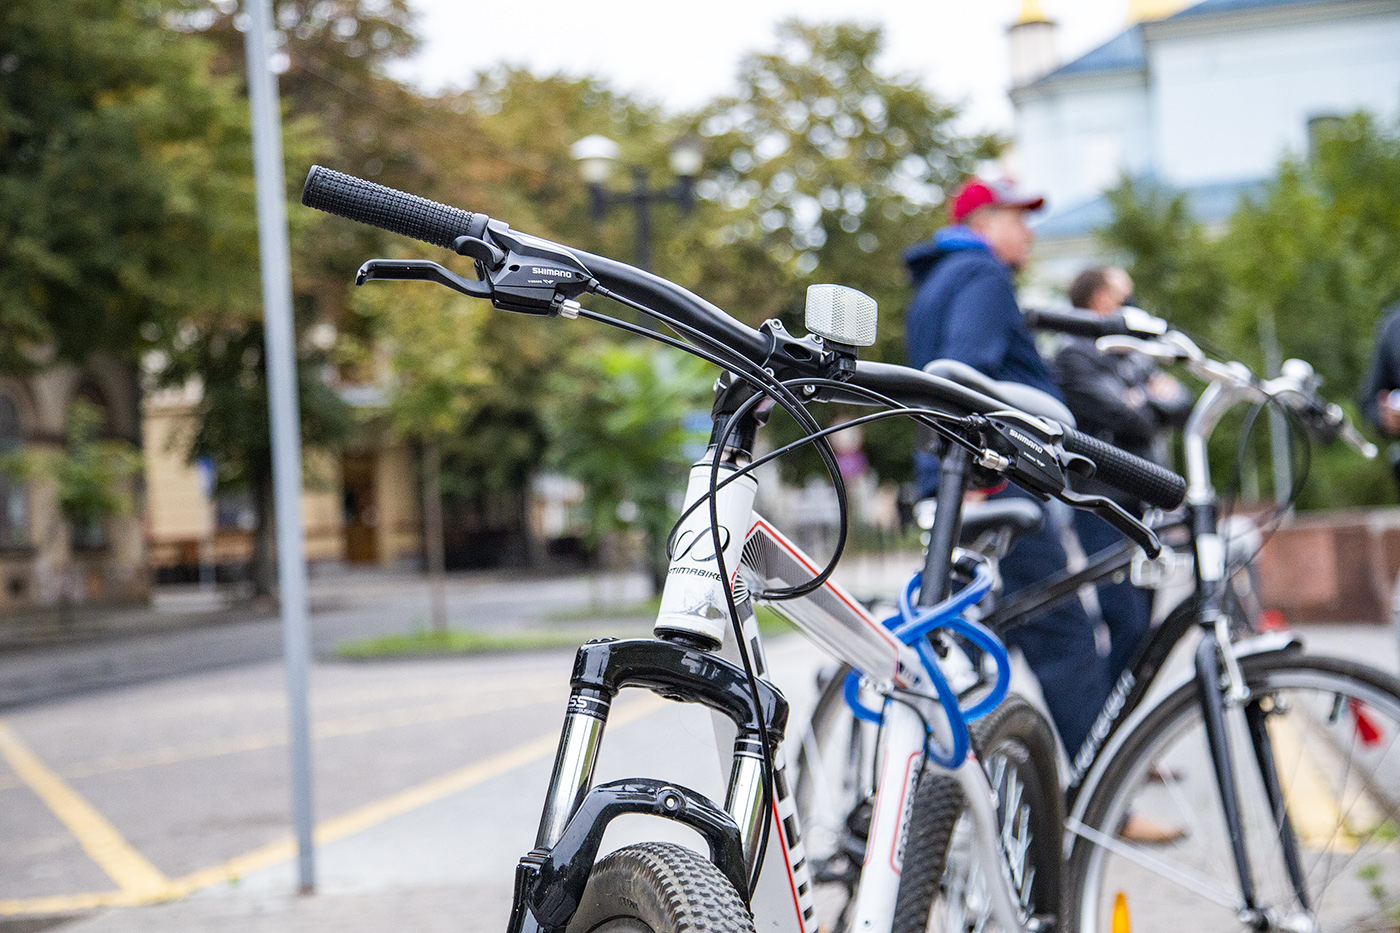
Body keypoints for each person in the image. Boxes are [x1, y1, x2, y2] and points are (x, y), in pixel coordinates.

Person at [903, 178, 1108, 759]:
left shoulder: (937, 282)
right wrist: (984, 477)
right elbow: (965, 371)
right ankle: (1101, 788)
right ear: (983, 223)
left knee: (972, 632)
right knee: (1062, 633)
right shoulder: (982, 276)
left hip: (957, 478)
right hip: (992, 479)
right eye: (1017, 218)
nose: (1028, 232)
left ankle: (927, 782)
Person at [1053, 267, 1192, 686]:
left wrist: (1144, 401)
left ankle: (1122, 730)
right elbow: (1126, 417)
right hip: (1103, 505)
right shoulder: (1073, 354)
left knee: (1145, 626)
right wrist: (1149, 401)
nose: (1133, 304)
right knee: (1126, 621)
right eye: (1124, 295)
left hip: (1142, 501)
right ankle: (1107, 725)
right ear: (1101, 300)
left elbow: (1181, 402)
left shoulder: (1129, 353)